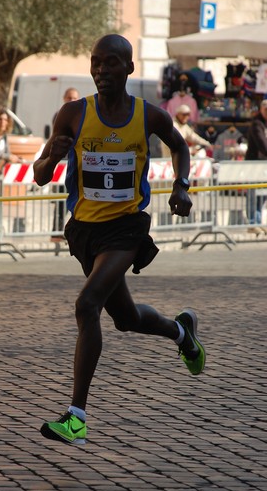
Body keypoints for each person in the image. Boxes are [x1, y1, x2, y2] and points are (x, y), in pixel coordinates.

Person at [33, 34, 206, 446]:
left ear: (129, 68)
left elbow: (181, 147)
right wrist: (53, 156)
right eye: (96, 63)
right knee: (125, 319)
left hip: (127, 228)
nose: (101, 70)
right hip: (85, 231)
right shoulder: (73, 114)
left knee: (87, 304)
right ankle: (181, 332)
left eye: (111, 63)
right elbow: (40, 175)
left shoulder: (148, 116)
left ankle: (76, 418)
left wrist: (181, 185)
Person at [51, 87, 80, 243]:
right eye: (69, 98)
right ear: (64, 98)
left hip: (75, 164)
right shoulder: (60, 116)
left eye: (75, 98)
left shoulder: (82, 116)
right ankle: (56, 233)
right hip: (61, 165)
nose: (72, 101)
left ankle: (69, 231)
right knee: (59, 202)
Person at [244, 99, 267, 235]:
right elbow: (262, 145)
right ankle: (252, 222)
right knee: (253, 194)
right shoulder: (257, 124)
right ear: (261, 109)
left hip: (263, 165)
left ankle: (258, 221)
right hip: (254, 164)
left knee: (262, 195)